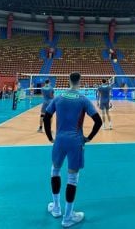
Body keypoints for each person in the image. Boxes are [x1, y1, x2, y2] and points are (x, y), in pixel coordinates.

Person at [43, 72, 102, 227]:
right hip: (75, 141)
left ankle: (56, 208)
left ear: (68, 81)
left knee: (54, 171)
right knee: (72, 178)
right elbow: (98, 121)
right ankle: (68, 217)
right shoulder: (83, 100)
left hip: (59, 141)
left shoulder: (59, 97)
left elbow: (46, 116)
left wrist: (50, 137)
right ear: (80, 82)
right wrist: (88, 138)